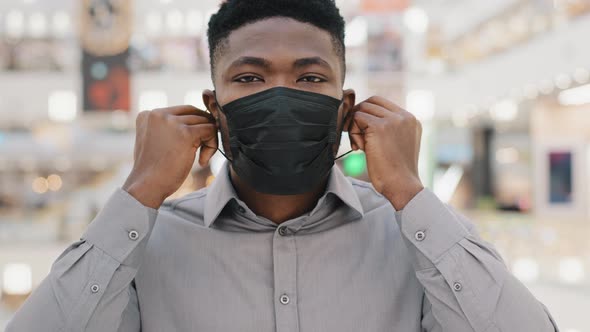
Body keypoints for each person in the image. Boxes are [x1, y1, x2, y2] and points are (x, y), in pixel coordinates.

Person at [7, 0, 559, 331]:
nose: (279, 95)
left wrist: (412, 194)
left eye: (310, 77)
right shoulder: (145, 244)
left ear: (347, 107)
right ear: (213, 109)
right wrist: (137, 193)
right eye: (249, 77)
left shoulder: (415, 239)